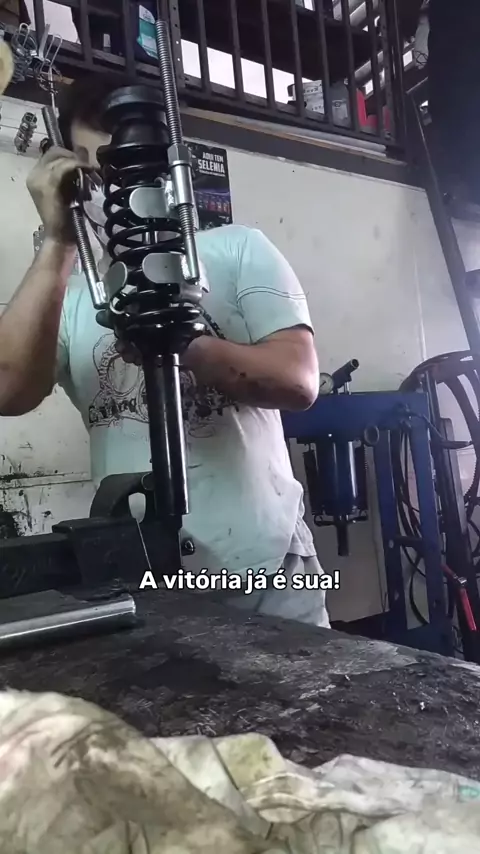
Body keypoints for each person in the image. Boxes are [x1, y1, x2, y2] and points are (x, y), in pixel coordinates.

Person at [0, 75, 329, 628]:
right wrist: (58, 239)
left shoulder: (237, 249)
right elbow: (7, 390)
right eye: (94, 173)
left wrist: (182, 342)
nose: (114, 189)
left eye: (129, 165)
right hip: (142, 578)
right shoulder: (69, 295)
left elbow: (297, 382)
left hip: (268, 569)